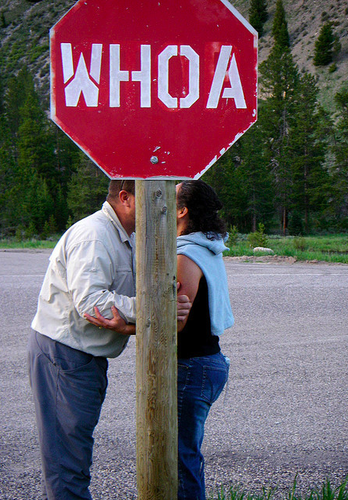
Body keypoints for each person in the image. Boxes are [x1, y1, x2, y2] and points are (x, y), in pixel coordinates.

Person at [28, 180, 191, 500]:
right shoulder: (95, 234)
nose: (164, 207)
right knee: (67, 462)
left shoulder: (123, 236)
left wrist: (167, 303)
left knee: (74, 453)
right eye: (153, 197)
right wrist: (159, 308)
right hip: (65, 356)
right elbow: (92, 304)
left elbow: (123, 300)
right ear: (126, 198)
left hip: (82, 357)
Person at [86, 179, 234, 500]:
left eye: (169, 195)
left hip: (192, 366)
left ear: (180, 210)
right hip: (206, 362)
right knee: (185, 454)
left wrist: (123, 327)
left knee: (179, 458)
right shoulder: (206, 247)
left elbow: (175, 326)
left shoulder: (185, 255)